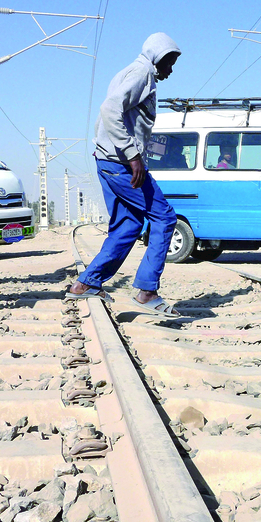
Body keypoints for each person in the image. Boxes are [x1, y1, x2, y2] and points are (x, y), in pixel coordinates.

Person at [66, 33, 181, 316]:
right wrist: (132, 155)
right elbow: (110, 109)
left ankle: (87, 283)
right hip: (120, 165)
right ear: (158, 56)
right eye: (170, 61)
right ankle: (146, 292)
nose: (171, 69)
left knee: (128, 226)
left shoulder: (136, 72)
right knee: (165, 217)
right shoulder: (141, 73)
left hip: (108, 162)